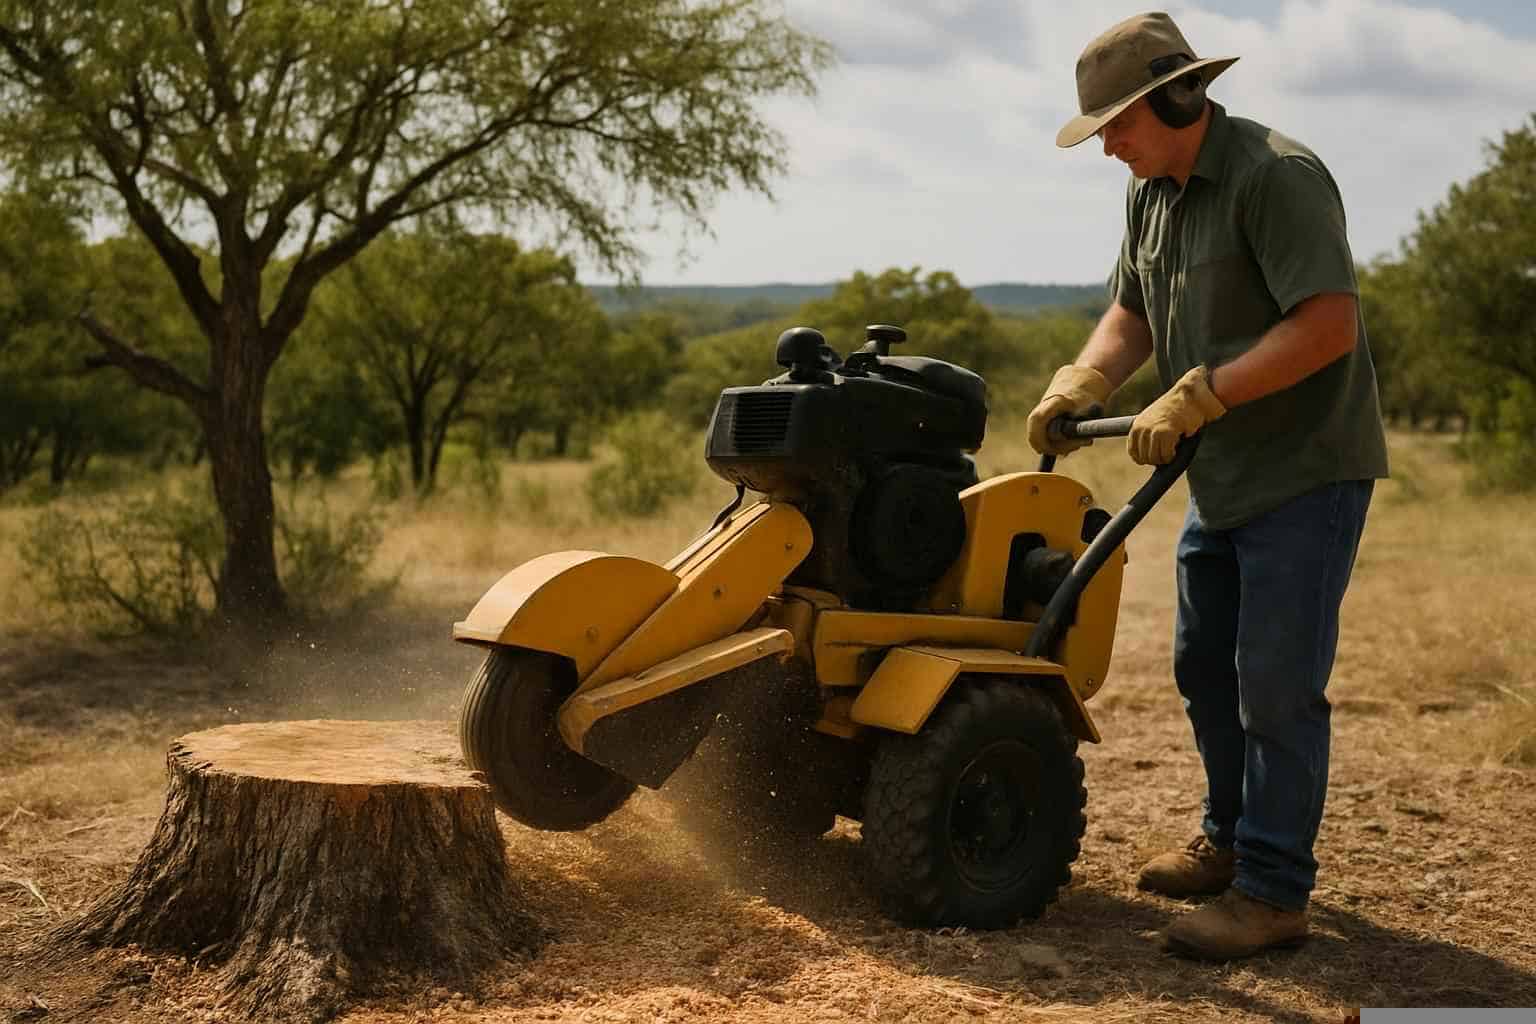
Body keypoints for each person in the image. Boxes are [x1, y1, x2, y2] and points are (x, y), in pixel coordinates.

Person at [1027, 12, 1389, 960]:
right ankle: (1229, 843)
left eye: (1116, 123)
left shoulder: (1278, 177)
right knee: (1202, 670)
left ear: (1175, 97)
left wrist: (1205, 392)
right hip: (1219, 473)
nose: (1107, 145)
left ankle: (1274, 893)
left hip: (1306, 470)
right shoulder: (1154, 191)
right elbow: (1130, 310)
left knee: (1274, 686)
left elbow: (1328, 326)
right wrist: (1085, 379)